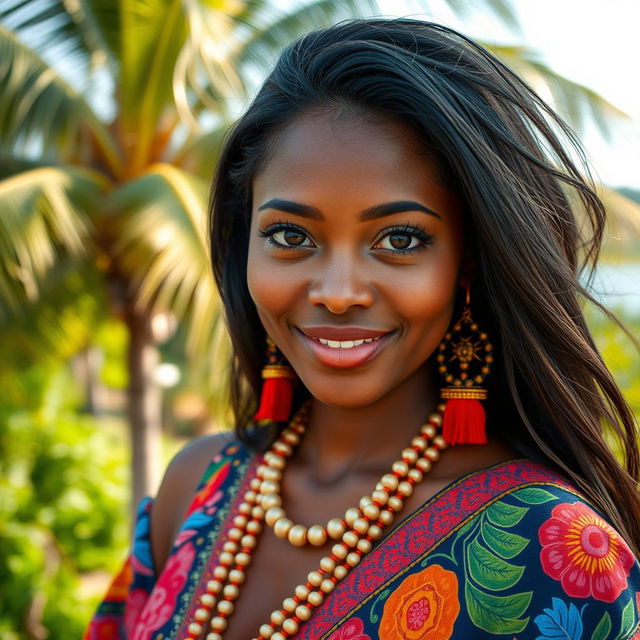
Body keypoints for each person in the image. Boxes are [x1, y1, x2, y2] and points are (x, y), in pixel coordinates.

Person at [86, 18, 640, 640]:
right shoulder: (196, 484)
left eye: (399, 240)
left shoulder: (554, 552)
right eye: (290, 236)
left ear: (468, 263)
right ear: (246, 245)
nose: (338, 292)